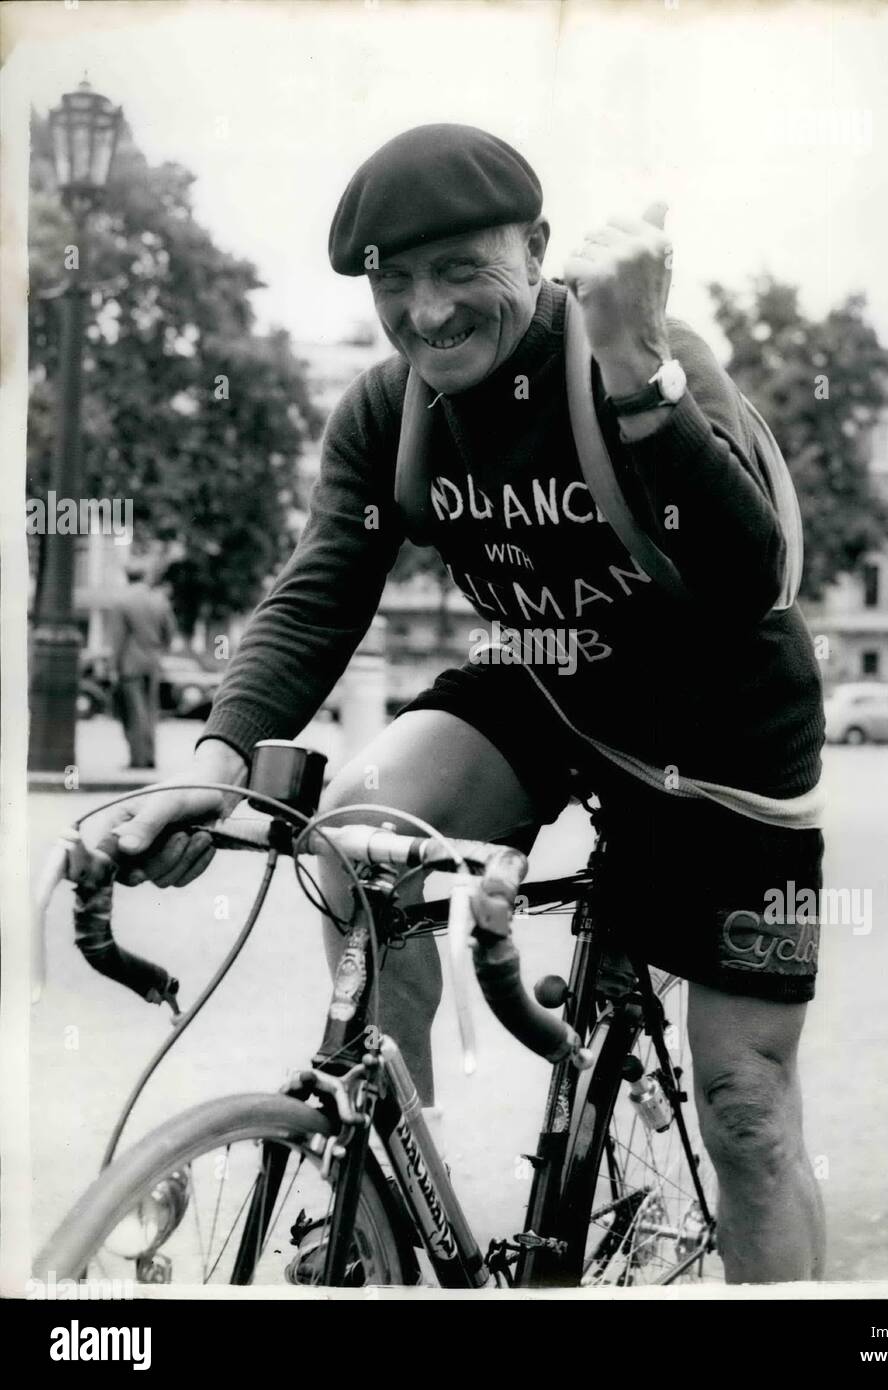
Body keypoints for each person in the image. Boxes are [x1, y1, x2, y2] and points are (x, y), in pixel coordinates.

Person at [95, 125, 827, 1282]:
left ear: (536, 249)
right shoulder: (391, 415)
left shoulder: (642, 351)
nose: (425, 313)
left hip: (723, 728)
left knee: (747, 1106)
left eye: (457, 271)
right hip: (552, 680)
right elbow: (318, 591)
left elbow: (754, 581)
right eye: (393, 282)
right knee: (355, 843)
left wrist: (642, 380)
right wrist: (216, 761)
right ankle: (383, 1176)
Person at [109, 562, 176, 770]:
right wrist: (159, 650)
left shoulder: (122, 601)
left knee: (134, 712)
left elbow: (118, 638)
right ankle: (150, 756)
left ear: (127, 577)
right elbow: (170, 632)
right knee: (150, 711)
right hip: (153, 661)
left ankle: (137, 759)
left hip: (130, 664)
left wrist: (113, 667)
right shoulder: (160, 600)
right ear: (144, 575)